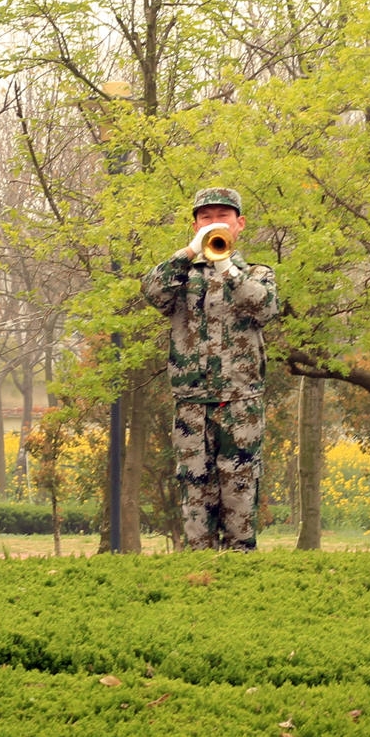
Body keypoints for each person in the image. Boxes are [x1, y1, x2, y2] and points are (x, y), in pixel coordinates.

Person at [142, 186, 278, 551]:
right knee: (195, 493)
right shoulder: (180, 274)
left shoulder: (258, 273)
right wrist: (190, 251)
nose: (214, 223)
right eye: (206, 217)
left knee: (240, 490)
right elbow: (153, 292)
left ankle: (239, 579)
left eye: (222, 216)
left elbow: (264, 308)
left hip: (240, 403)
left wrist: (226, 268)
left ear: (240, 224)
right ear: (195, 224)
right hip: (191, 403)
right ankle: (198, 575)